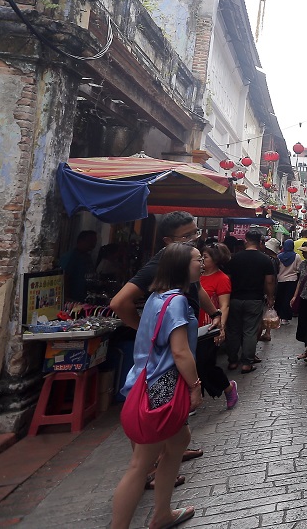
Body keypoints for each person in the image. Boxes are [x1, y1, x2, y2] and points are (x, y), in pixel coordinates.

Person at [109, 211, 217, 488]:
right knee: (159, 403)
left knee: (172, 402)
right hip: (164, 354)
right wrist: (147, 332)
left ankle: (173, 452)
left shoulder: (184, 264)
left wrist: (214, 312)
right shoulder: (160, 265)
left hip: (177, 344)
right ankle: (150, 470)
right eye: (188, 236)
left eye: (196, 232)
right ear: (169, 241)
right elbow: (119, 303)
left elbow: (198, 289)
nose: (196, 240)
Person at [111, 243, 202, 529]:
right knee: (141, 464)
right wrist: (195, 385)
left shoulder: (155, 297)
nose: (202, 263)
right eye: (197, 260)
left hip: (145, 380)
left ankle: (162, 513)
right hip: (159, 388)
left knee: (179, 441)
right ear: (181, 267)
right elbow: (180, 351)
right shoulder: (176, 301)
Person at [224, 230, 275, 374]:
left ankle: (233, 361)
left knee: (233, 330)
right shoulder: (265, 259)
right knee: (250, 331)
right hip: (255, 299)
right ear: (260, 242)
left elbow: (227, 279)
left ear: (246, 240)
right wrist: (270, 298)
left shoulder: (234, 258)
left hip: (234, 298)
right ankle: (247, 363)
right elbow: (270, 281)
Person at [197, 243, 238, 410]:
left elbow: (224, 306)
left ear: (215, 260)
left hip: (208, 328)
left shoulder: (222, 279)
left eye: (205, 257)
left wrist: (220, 328)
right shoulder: (195, 277)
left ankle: (228, 387)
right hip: (192, 325)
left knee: (204, 364)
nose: (201, 260)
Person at [60, 230, 97, 301]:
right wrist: (66, 298)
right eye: (91, 241)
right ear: (81, 241)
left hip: (85, 298)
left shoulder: (87, 257)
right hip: (73, 300)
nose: (93, 244)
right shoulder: (71, 257)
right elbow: (64, 278)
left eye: (95, 241)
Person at [274, 239, 302, 324]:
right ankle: (285, 318)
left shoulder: (279, 256)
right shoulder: (297, 256)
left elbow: (277, 269)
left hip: (280, 280)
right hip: (292, 280)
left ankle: (277, 316)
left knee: (279, 298)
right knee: (288, 299)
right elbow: (299, 269)